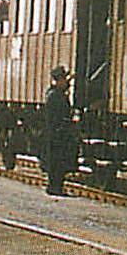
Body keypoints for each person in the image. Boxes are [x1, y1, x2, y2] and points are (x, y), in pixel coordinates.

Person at [42, 66, 78, 196]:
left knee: (57, 162)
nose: (66, 82)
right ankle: (54, 187)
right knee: (57, 162)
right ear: (58, 80)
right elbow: (58, 116)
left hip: (57, 133)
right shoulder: (55, 96)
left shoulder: (54, 94)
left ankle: (55, 186)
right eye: (64, 79)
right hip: (57, 134)